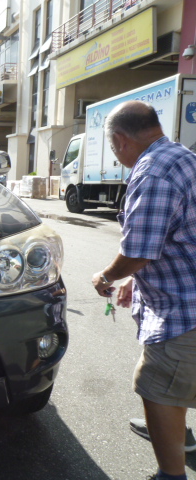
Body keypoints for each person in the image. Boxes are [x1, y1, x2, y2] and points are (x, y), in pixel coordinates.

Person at [91, 100, 196, 480]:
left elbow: (138, 250)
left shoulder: (152, 172)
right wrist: (136, 279)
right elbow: (178, 229)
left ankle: (171, 473)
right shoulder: (182, 156)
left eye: (113, 146)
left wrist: (107, 277)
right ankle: (179, 435)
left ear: (121, 140)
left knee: (156, 386)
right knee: (177, 381)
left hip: (185, 310)